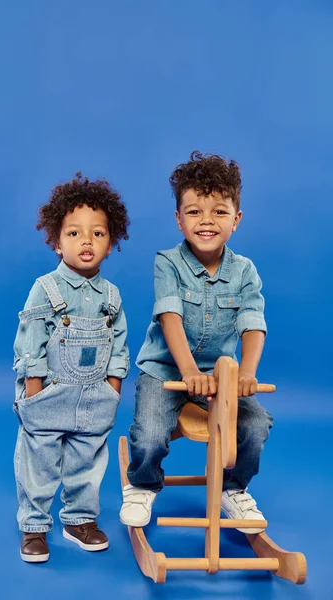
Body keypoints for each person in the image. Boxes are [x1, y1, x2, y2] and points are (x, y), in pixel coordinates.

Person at [120, 151, 273, 532]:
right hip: (167, 370)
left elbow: (253, 323)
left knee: (254, 426)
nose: (207, 221)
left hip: (220, 375)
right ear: (178, 219)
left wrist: (247, 374)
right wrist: (187, 370)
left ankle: (234, 489)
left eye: (219, 212)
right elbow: (169, 316)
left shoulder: (244, 271)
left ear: (236, 220)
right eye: (194, 212)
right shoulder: (167, 262)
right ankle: (142, 482)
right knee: (152, 431)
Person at [13, 173, 130, 562]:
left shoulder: (111, 297)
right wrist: (35, 389)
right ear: (56, 241)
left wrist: (112, 387)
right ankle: (34, 526)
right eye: (75, 233)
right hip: (49, 391)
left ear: (111, 242)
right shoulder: (45, 288)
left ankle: (79, 519)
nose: (86, 242)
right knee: (40, 461)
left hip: (95, 396)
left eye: (97, 234)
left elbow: (118, 345)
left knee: (87, 460)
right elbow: (31, 341)